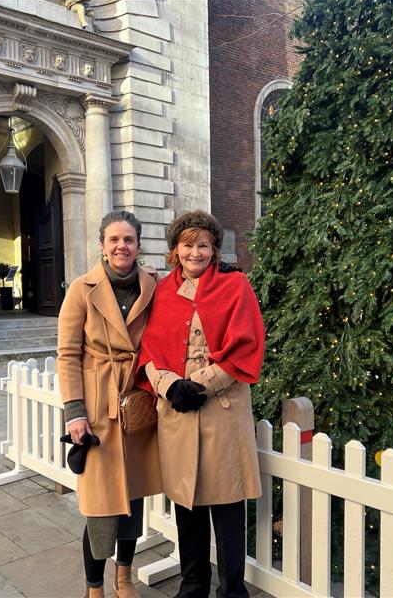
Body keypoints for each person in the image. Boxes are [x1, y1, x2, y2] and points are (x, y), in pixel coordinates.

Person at [137, 211, 265, 598]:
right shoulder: (162, 291)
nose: (196, 252)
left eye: (203, 245)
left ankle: (232, 590)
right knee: (186, 502)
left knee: (227, 507)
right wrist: (170, 386)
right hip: (176, 408)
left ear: (214, 249)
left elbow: (246, 345)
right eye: (188, 244)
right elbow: (149, 348)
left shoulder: (235, 285)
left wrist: (201, 385)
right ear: (176, 249)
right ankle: (193, 585)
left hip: (221, 407)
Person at [57, 210, 162, 598]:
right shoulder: (82, 288)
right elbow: (67, 354)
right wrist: (75, 413)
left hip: (134, 402)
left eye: (129, 240)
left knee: (132, 500)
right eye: (114, 239)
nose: (122, 246)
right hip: (98, 406)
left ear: (138, 245)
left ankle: (125, 578)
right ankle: (94, 587)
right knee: (100, 506)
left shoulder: (152, 285)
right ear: (102, 244)